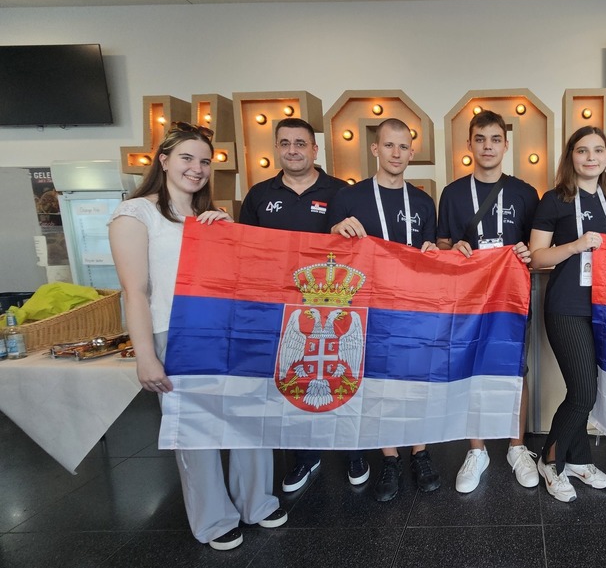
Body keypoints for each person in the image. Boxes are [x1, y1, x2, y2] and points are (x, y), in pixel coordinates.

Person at [109, 122, 287, 551]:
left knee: (248, 417)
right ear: (163, 160)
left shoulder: (211, 216)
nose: (197, 168)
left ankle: (256, 501)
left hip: (228, 329)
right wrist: (145, 355)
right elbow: (135, 292)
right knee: (195, 428)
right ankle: (213, 518)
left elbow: (242, 280)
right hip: (176, 332)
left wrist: (228, 235)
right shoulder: (135, 214)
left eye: (205, 161)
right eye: (187, 158)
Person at [238, 117, 369, 494]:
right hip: (280, 307)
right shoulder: (259, 195)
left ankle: (354, 450)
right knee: (292, 377)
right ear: (276, 149)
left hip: (336, 303)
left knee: (344, 373)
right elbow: (245, 250)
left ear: (315, 149)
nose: (292, 150)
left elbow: (361, 249)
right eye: (285, 143)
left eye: (300, 143)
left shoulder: (343, 192)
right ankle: (304, 455)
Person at [327, 118, 440, 503]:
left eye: (403, 147)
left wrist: (431, 251)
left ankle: (420, 452)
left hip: (413, 304)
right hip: (368, 306)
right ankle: (389, 457)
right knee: (379, 382)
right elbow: (328, 253)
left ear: (412, 152)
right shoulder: (349, 198)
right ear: (375, 149)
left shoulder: (423, 202)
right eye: (389, 145)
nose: (396, 153)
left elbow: (430, 255)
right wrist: (336, 231)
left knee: (417, 379)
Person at [528, 126, 606, 502]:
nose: (590, 157)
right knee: (582, 392)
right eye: (582, 150)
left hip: (604, 310)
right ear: (571, 157)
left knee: (590, 389)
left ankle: (578, 459)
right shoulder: (554, 200)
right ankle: (550, 460)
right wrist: (575, 245)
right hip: (566, 307)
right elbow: (537, 257)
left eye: (598, 150)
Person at [436, 110, 539, 493]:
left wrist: (528, 252)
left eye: (495, 139)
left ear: (506, 144)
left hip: (511, 297)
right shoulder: (452, 194)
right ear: (469, 144)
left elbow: (537, 247)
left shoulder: (525, 193)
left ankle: (516, 446)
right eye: (480, 139)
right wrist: (452, 250)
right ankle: (477, 450)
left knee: (516, 368)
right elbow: (442, 245)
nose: (488, 146)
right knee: (472, 367)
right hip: (468, 298)